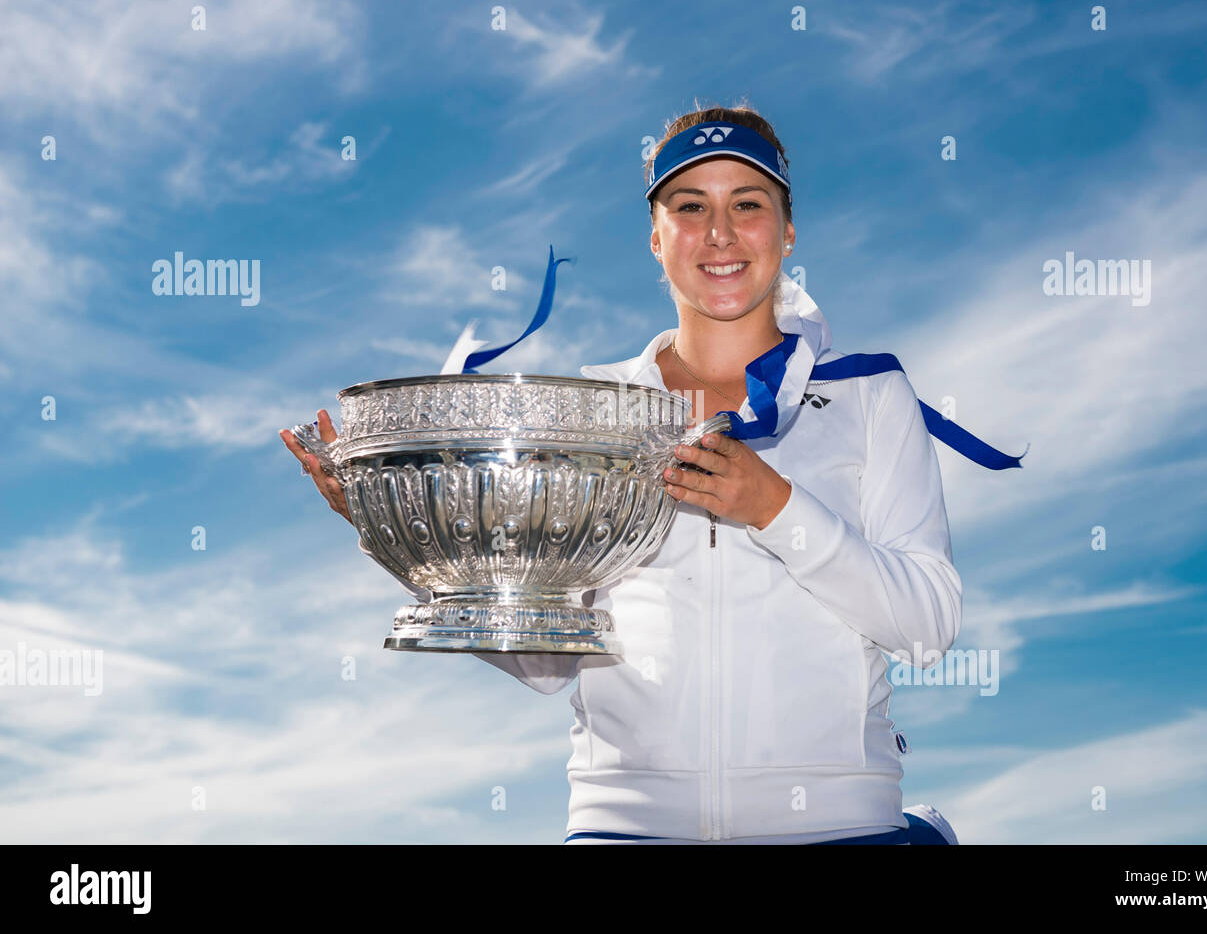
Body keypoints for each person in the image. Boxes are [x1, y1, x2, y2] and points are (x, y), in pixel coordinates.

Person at [280, 101, 963, 844]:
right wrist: (416, 534)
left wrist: (776, 508)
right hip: (623, 827)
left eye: (749, 204)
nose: (721, 234)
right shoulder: (589, 410)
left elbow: (928, 624)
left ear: (789, 228)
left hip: (838, 825)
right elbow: (546, 659)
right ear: (656, 237)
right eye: (690, 206)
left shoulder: (871, 394)